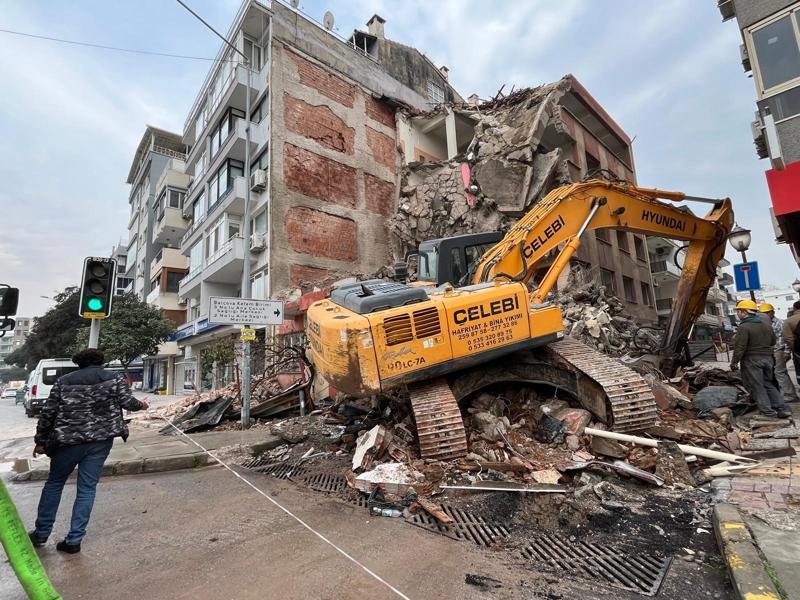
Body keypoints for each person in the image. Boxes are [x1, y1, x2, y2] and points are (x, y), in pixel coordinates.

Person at [28, 348, 148, 554]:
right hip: (100, 441)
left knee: (54, 483)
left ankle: (41, 533)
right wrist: (143, 405)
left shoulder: (63, 381)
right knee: (87, 489)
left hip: (67, 441)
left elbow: (48, 413)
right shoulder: (114, 378)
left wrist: (40, 441)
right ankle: (74, 540)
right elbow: (128, 402)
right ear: (101, 361)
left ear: (78, 363)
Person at [730, 299, 790, 419]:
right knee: (768, 384)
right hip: (768, 358)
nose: (737, 314)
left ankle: (768, 412)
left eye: (739, 311)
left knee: (757, 386)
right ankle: (782, 408)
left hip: (752, 360)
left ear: (745, 312)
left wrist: (734, 362)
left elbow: (740, 347)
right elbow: (773, 341)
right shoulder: (766, 325)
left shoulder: (744, 327)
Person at [760, 303, 800, 403]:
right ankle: (785, 393)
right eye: (763, 313)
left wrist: (786, 352)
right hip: (771, 351)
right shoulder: (764, 323)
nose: (765, 315)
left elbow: (786, 338)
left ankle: (790, 394)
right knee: (776, 373)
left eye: (767, 313)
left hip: (779, 350)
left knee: (780, 372)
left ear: (772, 312)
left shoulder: (780, 323)